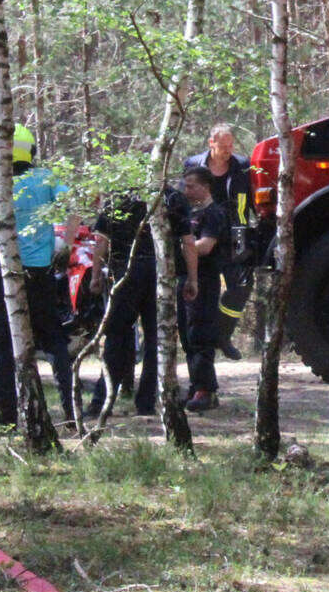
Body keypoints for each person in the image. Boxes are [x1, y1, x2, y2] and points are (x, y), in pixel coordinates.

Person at [0, 124, 73, 429]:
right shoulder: (47, 179)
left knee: (3, 342)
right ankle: (70, 412)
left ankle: (5, 418)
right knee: (54, 341)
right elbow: (74, 206)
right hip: (41, 273)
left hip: (8, 273)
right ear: (32, 151)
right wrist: (64, 244)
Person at [83, 187, 181, 418]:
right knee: (156, 339)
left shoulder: (118, 198)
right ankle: (146, 402)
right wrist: (189, 278)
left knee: (117, 338)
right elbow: (185, 240)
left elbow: (102, 242)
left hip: (126, 274)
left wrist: (96, 276)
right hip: (158, 274)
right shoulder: (170, 197)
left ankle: (102, 400)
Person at [185, 124, 254, 358]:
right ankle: (199, 345)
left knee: (242, 284)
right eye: (223, 146)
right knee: (202, 290)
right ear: (211, 143)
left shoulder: (242, 165)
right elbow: (185, 197)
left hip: (234, 233)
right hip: (203, 234)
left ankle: (222, 334)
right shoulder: (193, 164)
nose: (228, 150)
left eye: (231, 146)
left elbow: (248, 197)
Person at [178, 167, 230, 411]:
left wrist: (181, 248)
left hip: (205, 281)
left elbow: (206, 246)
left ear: (205, 187)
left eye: (190, 185)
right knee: (187, 336)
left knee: (200, 334)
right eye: (184, 185)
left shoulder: (214, 214)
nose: (185, 190)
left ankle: (205, 390)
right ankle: (194, 385)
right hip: (185, 278)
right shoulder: (187, 213)